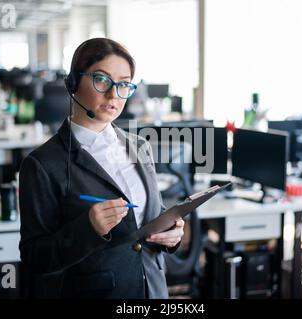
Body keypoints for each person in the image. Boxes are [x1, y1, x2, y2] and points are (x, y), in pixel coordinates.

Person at [18, 38, 184, 299]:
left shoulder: (140, 146)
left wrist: (172, 232)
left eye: (124, 84)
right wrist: (88, 228)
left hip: (153, 290)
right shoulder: (42, 164)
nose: (113, 94)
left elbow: (154, 213)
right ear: (73, 83)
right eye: (102, 79)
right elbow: (34, 258)